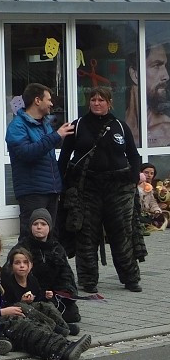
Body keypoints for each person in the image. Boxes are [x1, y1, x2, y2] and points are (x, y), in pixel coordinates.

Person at [58, 87, 143, 293]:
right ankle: (88, 281)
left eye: (101, 100)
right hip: (86, 189)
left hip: (118, 189)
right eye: (93, 100)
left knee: (122, 234)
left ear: (109, 102)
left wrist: (133, 181)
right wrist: (62, 186)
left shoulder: (120, 126)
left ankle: (130, 278)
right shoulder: (78, 126)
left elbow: (133, 155)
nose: (97, 103)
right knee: (86, 236)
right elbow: (64, 159)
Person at [0, 241, 92, 360]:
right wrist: (2, 312)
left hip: (0, 316)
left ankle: (60, 333)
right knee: (24, 324)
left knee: (40, 310)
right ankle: (62, 348)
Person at [5, 82, 75, 232]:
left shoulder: (45, 124)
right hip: (32, 191)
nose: (51, 104)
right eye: (48, 99)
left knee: (49, 238)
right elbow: (26, 153)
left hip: (50, 189)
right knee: (30, 237)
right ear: (37, 100)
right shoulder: (17, 126)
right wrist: (56, 136)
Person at [16, 209, 83, 330]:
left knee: (72, 314)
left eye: (43, 224)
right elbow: (12, 274)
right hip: (31, 295)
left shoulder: (57, 248)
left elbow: (66, 275)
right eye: (35, 224)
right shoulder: (22, 248)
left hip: (53, 295)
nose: (39, 227)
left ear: (49, 227)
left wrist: (60, 293)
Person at [140, 39, 170, 147]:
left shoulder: (166, 128)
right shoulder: (121, 126)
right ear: (135, 74)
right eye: (157, 65)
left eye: (164, 66)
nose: (166, 76)